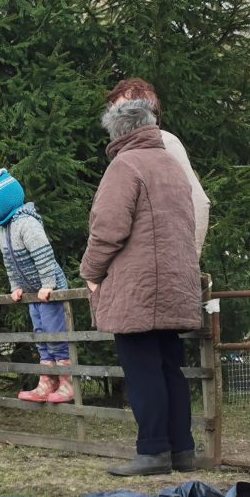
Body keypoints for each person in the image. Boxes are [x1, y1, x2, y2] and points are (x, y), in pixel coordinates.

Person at [80, 92, 202, 476]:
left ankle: (152, 451)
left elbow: (108, 230)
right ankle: (182, 450)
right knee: (170, 367)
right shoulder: (171, 165)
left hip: (139, 288)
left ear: (117, 131)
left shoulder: (125, 165)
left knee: (142, 369)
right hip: (175, 284)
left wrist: (91, 272)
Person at [0, 169, 74, 404]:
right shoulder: (5, 229)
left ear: (3, 203)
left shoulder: (26, 222)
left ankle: (66, 382)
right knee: (41, 335)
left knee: (55, 334)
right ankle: (47, 383)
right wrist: (15, 286)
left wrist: (48, 285)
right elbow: (9, 262)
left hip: (49, 290)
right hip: (33, 293)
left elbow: (44, 254)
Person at [105, 78, 209, 258]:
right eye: (115, 109)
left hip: (166, 262)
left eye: (125, 108)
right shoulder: (128, 151)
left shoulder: (165, 142)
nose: (117, 116)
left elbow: (198, 201)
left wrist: (189, 257)